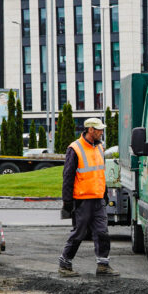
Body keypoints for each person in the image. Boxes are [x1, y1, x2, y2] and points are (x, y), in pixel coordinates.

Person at [58, 118, 119, 278]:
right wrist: (67, 202)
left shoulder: (99, 147)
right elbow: (68, 177)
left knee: (102, 232)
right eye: (99, 130)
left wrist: (104, 194)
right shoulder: (75, 148)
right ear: (90, 130)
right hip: (82, 200)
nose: (101, 132)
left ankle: (103, 265)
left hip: (98, 199)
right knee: (79, 233)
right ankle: (65, 264)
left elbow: (100, 173)